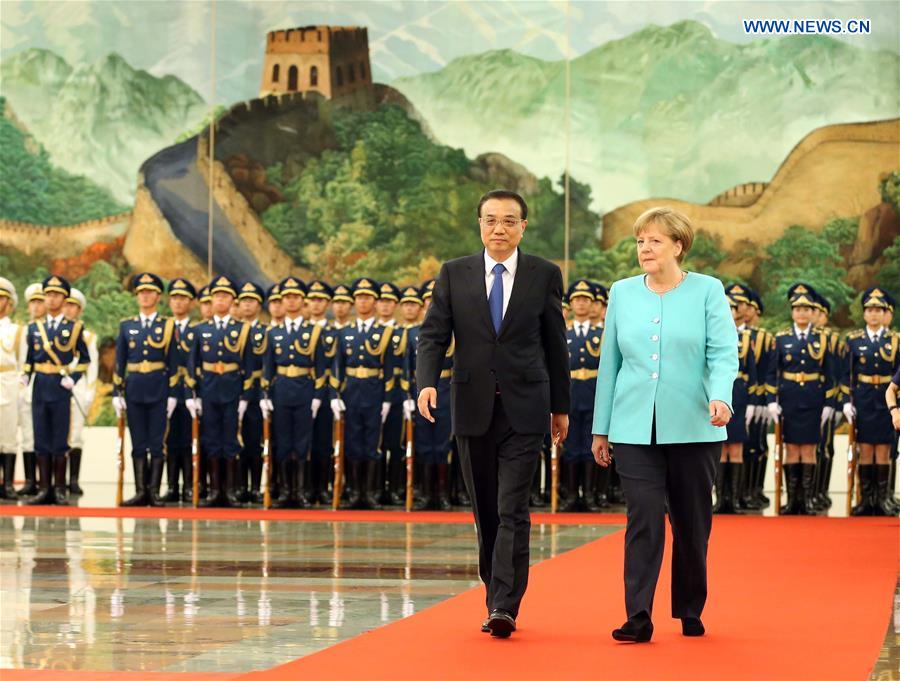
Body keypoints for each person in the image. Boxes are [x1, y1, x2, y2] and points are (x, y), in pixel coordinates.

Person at [417, 189, 570, 638]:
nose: (498, 229)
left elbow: (554, 343)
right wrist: (427, 382)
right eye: (490, 220)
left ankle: (505, 604)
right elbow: (433, 335)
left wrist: (561, 406)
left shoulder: (544, 274)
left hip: (525, 408)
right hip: (472, 405)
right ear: (479, 224)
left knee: (513, 507)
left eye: (508, 221)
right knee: (486, 508)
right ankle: (494, 587)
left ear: (523, 226)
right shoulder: (454, 274)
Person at [591, 206, 737, 643]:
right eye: (640, 241)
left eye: (654, 240)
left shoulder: (708, 291)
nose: (645, 248)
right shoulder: (621, 292)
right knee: (644, 519)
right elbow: (609, 364)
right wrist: (602, 428)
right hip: (633, 427)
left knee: (692, 525)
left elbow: (722, 353)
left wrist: (720, 396)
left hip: (695, 424)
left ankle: (690, 608)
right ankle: (638, 616)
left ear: (678, 245)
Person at [765, 283, 837, 515]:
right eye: (797, 309)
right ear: (792, 312)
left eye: (806, 309)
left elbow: (831, 375)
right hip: (789, 399)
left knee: (808, 449)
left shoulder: (822, 338)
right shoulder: (782, 338)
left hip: (813, 399)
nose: (802, 313)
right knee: (790, 449)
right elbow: (771, 371)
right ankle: (792, 500)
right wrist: (771, 400)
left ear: (812, 311)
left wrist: (829, 403)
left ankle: (806, 499)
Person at [261, 277, 331, 508]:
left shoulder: (314, 332)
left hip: (304, 390)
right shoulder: (273, 333)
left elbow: (321, 369)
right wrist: (265, 396)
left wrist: (317, 397)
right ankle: (284, 491)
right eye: (287, 298)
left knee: (302, 443)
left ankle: (300, 491)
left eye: (295, 297)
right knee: (282, 442)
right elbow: (268, 369)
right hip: (281, 391)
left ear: (303, 301)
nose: (291, 302)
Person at [22, 275, 91, 506]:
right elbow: (30, 359)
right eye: (48, 295)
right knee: (41, 437)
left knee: (60, 438)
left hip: (61, 386)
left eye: (57, 295)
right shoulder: (34, 328)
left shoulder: (74, 328)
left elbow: (84, 358)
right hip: (41, 385)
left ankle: (60, 489)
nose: (52, 299)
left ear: (64, 298)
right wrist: (25, 375)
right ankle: (44, 489)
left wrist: (73, 377)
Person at [186, 275, 254, 507]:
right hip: (209, 390)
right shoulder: (200, 329)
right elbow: (191, 366)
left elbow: (249, 366)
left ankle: (231, 491)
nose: (220, 300)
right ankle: (215, 490)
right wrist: (192, 395)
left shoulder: (242, 330)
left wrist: (246, 396)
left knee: (231, 440)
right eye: (216, 296)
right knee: (211, 439)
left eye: (225, 296)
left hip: (233, 390)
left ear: (232, 300)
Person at [113, 273, 179, 507]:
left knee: (156, 443)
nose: (145, 296)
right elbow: (120, 361)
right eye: (142, 292)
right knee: (138, 442)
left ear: (158, 297)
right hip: (134, 389)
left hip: (159, 389)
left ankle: (154, 492)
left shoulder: (168, 326)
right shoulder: (127, 326)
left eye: (150, 292)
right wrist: (116, 392)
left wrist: (172, 394)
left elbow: (174, 362)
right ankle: (141, 491)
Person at [842, 288, 899, 516]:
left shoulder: (894, 340)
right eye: (870, 310)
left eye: (878, 310)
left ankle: (882, 499)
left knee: (883, 451)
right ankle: (867, 498)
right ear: (864, 314)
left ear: (885, 313)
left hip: (886, 400)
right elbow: (847, 374)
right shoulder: (854, 340)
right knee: (865, 450)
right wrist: (847, 401)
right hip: (864, 399)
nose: (874, 314)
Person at [713, 285, 758, 514]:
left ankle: (736, 498)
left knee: (737, 448)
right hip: (718, 393)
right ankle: (721, 499)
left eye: (732, 308)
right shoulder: (710, 333)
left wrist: (753, 402)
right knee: (722, 447)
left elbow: (752, 372)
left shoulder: (747, 338)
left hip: (739, 392)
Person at [562, 279, 604, 512]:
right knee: (570, 446)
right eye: (577, 299)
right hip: (569, 394)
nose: (581, 303)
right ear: (570, 304)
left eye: (585, 299)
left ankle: (588, 494)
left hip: (593, 393)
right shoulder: (563, 332)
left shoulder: (601, 333)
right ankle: (570, 495)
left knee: (590, 445)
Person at [63, 288, 98, 496]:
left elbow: (91, 369)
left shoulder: (88, 337)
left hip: (78, 389)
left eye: (72, 306)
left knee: (75, 436)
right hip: (56, 389)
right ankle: (53, 481)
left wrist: (88, 397)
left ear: (79, 310)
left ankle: (73, 480)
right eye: (66, 304)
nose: (68, 309)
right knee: (56, 437)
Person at [164, 277, 196, 503]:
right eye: (174, 298)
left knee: (189, 440)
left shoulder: (198, 330)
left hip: (191, 391)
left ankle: (189, 486)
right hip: (166, 392)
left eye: (183, 298)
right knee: (169, 440)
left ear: (191, 303)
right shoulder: (162, 328)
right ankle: (172, 486)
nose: (178, 302)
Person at [16, 283, 45, 497]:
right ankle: (29, 481)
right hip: (23, 388)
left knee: (44, 436)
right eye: (33, 302)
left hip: (45, 386)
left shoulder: (50, 331)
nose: (36, 306)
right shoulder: (24, 330)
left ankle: (46, 482)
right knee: (27, 435)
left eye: (40, 301)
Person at [0, 278, 26, 500]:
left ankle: (7, 484)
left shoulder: (17, 331)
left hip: (8, 383)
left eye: (1, 298)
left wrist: (20, 390)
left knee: (8, 435)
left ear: (9, 302)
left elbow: (23, 366)